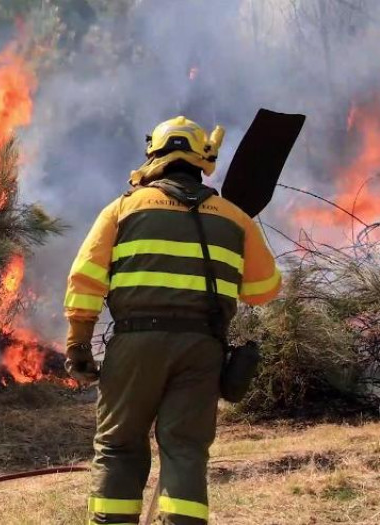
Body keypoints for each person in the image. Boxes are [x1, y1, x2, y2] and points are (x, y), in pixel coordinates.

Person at [64, 116, 282, 525]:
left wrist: (78, 343)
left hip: (135, 346)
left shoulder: (123, 208)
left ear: (154, 157)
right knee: (185, 449)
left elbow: (85, 281)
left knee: (119, 447)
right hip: (202, 351)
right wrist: (246, 233)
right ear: (202, 160)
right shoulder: (235, 218)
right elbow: (264, 290)